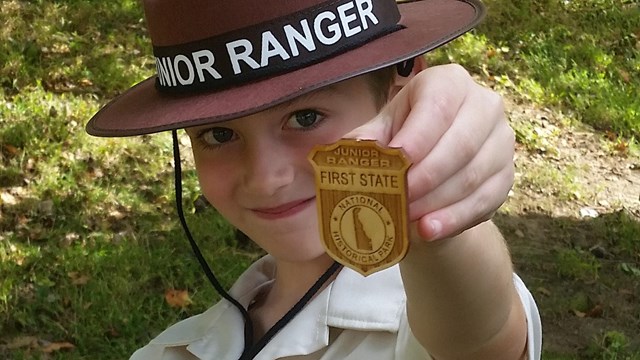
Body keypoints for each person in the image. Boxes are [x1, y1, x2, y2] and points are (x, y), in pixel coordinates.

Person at [86, 0, 542, 359]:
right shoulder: (169, 353)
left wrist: (435, 223)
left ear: (399, 88)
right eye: (219, 134)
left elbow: (482, 339)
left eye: (305, 116)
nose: (266, 178)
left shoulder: (423, 316)